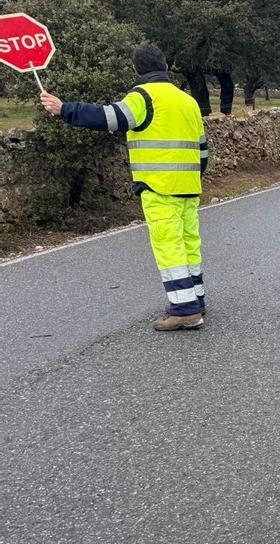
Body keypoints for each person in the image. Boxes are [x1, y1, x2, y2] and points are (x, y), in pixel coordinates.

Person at [40, 44, 209, 331]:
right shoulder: (187, 101)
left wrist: (64, 109)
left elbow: (110, 117)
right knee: (189, 244)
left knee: (169, 246)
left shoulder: (143, 97)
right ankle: (195, 299)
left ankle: (184, 310)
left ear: (136, 70)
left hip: (158, 186)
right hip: (189, 185)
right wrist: (195, 175)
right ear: (166, 67)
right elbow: (203, 149)